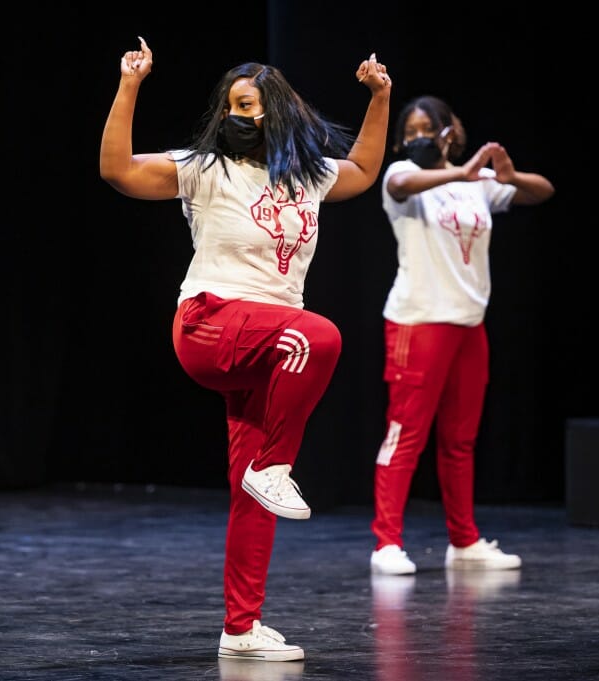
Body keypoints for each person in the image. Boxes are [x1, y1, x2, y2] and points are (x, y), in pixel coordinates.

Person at [99, 37, 392, 661]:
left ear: (278, 112)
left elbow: (365, 172)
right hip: (209, 322)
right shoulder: (204, 169)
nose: (241, 116)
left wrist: (380, 97)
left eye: (252, 105)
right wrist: (130, 85)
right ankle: (276, 466)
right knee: (321, 334)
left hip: (268, 348)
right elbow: (117, 171)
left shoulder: (308, 176)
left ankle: (240, 628)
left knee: (249, 498)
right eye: (233, 105)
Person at [368, 95, 554, 576]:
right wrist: (462, 171)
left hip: (469, 324)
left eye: (428, 128)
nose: (418, 138)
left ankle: (464, 541)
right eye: (410, 132)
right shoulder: (399, 176)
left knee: (460, 439)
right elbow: (406, 182)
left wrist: (506, 178)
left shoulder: (478, 186)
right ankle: (386, 542)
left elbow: (543, 191)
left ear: (452, 130)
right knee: (404, 434)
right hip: (418, 320)